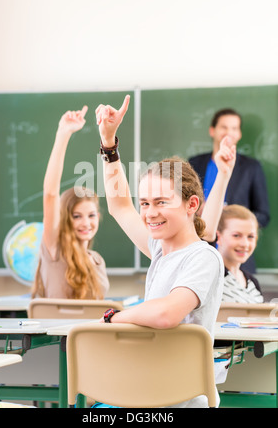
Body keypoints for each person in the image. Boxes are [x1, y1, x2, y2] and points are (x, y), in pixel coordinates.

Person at [95, 95, 235, 408]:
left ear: (191, 205)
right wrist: (108, 143)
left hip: (178, 398)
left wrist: (113, 318)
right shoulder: (159, 249)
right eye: (145, 203)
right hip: (148, 389)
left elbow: (166, 314)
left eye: (161, 202)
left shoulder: (204, 257)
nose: (149, 213)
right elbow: (119, 204)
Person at [32, 107, 109, 299]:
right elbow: (50, 194)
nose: (86, 223)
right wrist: (63, 133)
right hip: (59, 330)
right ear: (65, 218)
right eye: (77, 216)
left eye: (91, 215)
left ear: (98, 217)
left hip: (89, 330)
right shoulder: (54, 251)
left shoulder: (97, 261)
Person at [189, 108, 270, 273]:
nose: (229, 132)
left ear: (239, 134)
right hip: (199, 252)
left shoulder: (251, 167)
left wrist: (233, 218)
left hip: (239, 260)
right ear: (212, 131)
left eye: (234, 128)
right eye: (224, 127)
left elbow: (263, 215)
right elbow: (182, 205)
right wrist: (198, 209)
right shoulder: (195, 163)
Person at [216, 204, 263, 303]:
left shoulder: (253, 282)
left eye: (250, 236)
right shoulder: (212, 275)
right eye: (236, 235)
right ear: (219, 236)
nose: (244, 244)